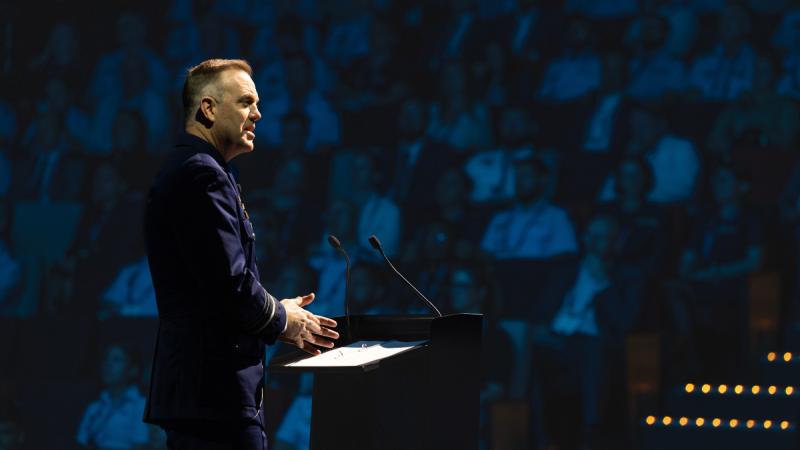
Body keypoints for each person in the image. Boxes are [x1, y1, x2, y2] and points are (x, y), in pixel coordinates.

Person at [143, 58, 339, 450]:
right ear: (209, 108)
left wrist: (277, 311)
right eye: (246, 102)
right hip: (213, 394)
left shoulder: (200, 168)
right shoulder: (202, 174)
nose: (258, 114)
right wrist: (284, 320)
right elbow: (228, 284)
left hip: (203, 393)